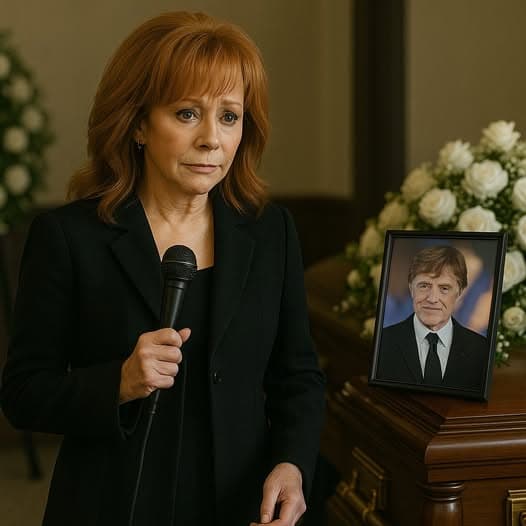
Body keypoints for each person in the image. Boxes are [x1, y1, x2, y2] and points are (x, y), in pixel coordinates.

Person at [0, 12, 325, 526]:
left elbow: (298, 376)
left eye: (229, 116)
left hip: (239, 504)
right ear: (137, 123)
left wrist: (292, 463)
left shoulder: (270, 232)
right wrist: (119, 381)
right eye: (187, 113)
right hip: (111, 504)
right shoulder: (69, 237)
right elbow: (23, 393)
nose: (212, 139)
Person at [376, 245, 487, 391]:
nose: (433, 298)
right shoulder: (383, 341)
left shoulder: (480, 350)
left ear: (460, 292)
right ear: (411, 288)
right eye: (424, 286)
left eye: (444, 288)